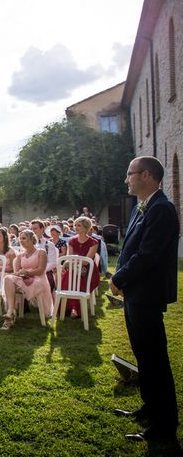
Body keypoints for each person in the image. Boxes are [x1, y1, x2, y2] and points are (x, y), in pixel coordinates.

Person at [110, 156, 179, 443]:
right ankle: (150, 408)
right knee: (143, 355)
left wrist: (118, 278)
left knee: (154, 359)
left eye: (130, 173)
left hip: (147, 294)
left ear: (147, 175)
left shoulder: (162, 209)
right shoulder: (143, 207)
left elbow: (148, 255)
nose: (127, 179)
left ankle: (164, 427)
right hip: (135, 294)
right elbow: (131, 248)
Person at [1, 230, 53, 330]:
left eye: (24, 238)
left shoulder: (41, 252)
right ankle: (10, 312)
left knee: (11, 280)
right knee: (8, 278)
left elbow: (41, 270)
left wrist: (27, 272)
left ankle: (10, 315)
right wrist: (18, 273)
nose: (21, 240)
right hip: (23, 279)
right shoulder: (20, 255)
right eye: (20, 238)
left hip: (38, 280)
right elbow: (16, 272)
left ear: (31, 239)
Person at [60, 216, 100, 318]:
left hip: (88, 270)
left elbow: (87, 261)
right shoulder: (72, 240)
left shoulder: (94, 242)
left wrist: (73, 263)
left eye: (79, 225)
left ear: (86, 227)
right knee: (69, 277)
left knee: (76, 278)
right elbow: (70, 257)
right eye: (75, 225)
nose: (76, 227)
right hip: (74, 268)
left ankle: (75, 308)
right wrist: (66, 263)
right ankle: (70, 307)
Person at [30, 219, 58, 292]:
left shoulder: (49, 245)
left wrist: (40, 271)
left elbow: (52, 263)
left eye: (35, 228)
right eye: (32, 229)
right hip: (29, 271)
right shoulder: (27, 244)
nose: (33, 231)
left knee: (46, 282)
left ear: (42, 229)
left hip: (45, 271)